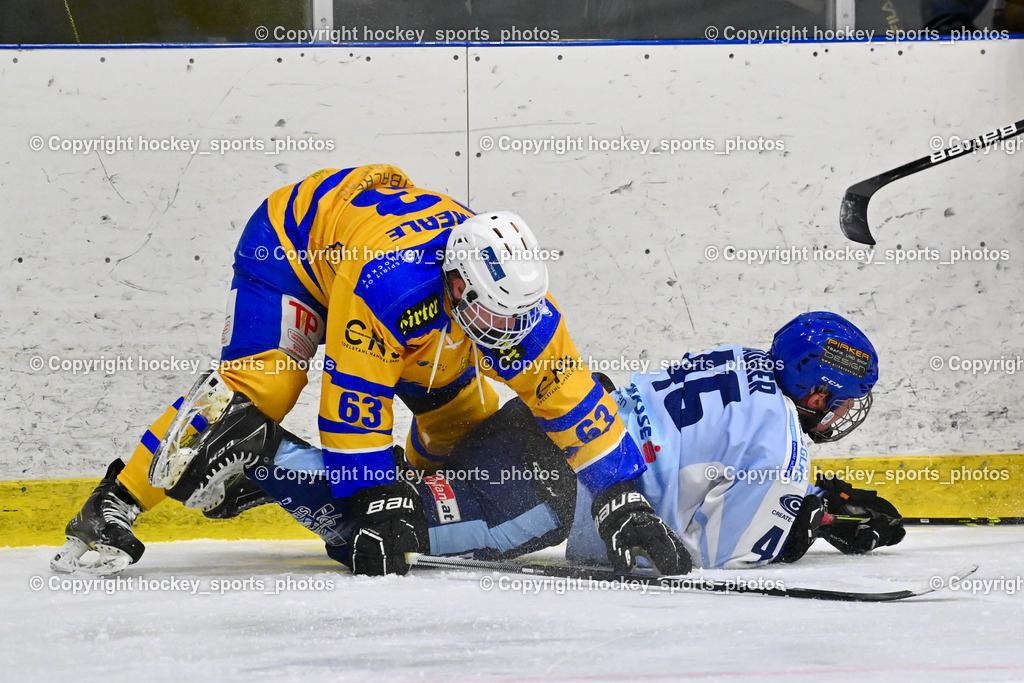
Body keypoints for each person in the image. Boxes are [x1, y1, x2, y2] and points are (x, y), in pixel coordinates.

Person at [52, 164, 687, 577]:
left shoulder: (515, 309)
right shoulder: (390, 290)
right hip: (295, 250)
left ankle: (287, 475)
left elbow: (569, 396)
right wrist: (377, 499)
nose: (506, 333)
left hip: (383, 246)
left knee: (458, 423)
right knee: (264, 385)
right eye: (492, 316)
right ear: (457, 285)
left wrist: (620, 497)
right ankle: (114, 504)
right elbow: (354, 400)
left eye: (514, 316)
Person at [126, 311, 904, 573]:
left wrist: (806, 501)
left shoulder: (742, 362)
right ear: (816, 389)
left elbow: (695, 449)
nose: (840, 414)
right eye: (841, 400)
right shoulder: (781, 435)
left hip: (544, 427)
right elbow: (693, 554)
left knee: (387, 510)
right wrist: (803, 522)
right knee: (379, 535)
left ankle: (260, 469)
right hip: (548, 489)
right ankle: (257, 450)